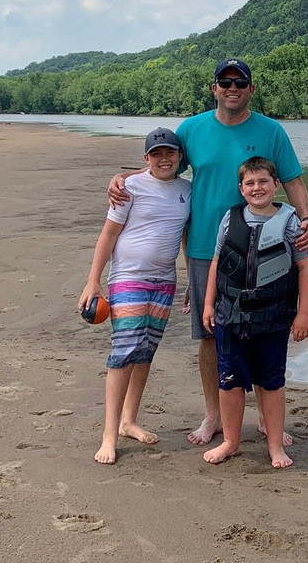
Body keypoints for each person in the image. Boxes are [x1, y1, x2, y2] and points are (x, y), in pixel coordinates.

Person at [108, 58, 308, 448]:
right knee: (212, 335)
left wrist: (307, 221)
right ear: (214, 88)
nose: (232, 88)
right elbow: (162, 167)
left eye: (240, 82)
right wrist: (123, 178)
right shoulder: (192, 129)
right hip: (207, 248)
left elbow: (294, 182)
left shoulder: (271, 131)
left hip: (268, 247)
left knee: (263, 329)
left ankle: (267, 421)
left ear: (251, 89)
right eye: (225, 82)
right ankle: (214, 416)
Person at [79, 127, 191, 465]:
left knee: (145, 352)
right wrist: (93, 281)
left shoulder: (188, 190)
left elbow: (186, 237)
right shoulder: (128, 188)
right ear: (146, 159)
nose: (164, 159)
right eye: (156, 154)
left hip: (165, 281)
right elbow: (109, 232)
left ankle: (129, 422)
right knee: (124, 351)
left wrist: (193, 284)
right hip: (128, 278)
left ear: (180, 157)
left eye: (170, 153)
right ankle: (109, 436)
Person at [201, 157, 308, 468]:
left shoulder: (291, 221)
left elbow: (305, 267)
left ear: (275, 185)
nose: (257, 188)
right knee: (230, 381)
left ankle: (275, 446)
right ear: (241, 189)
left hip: (273, 318)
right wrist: (209, 304)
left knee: (272, 381)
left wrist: (303, 315)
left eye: (263, 181)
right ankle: (231, 441)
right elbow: (215, 264)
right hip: (230, 315)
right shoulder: (230, 219)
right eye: (250, 183)